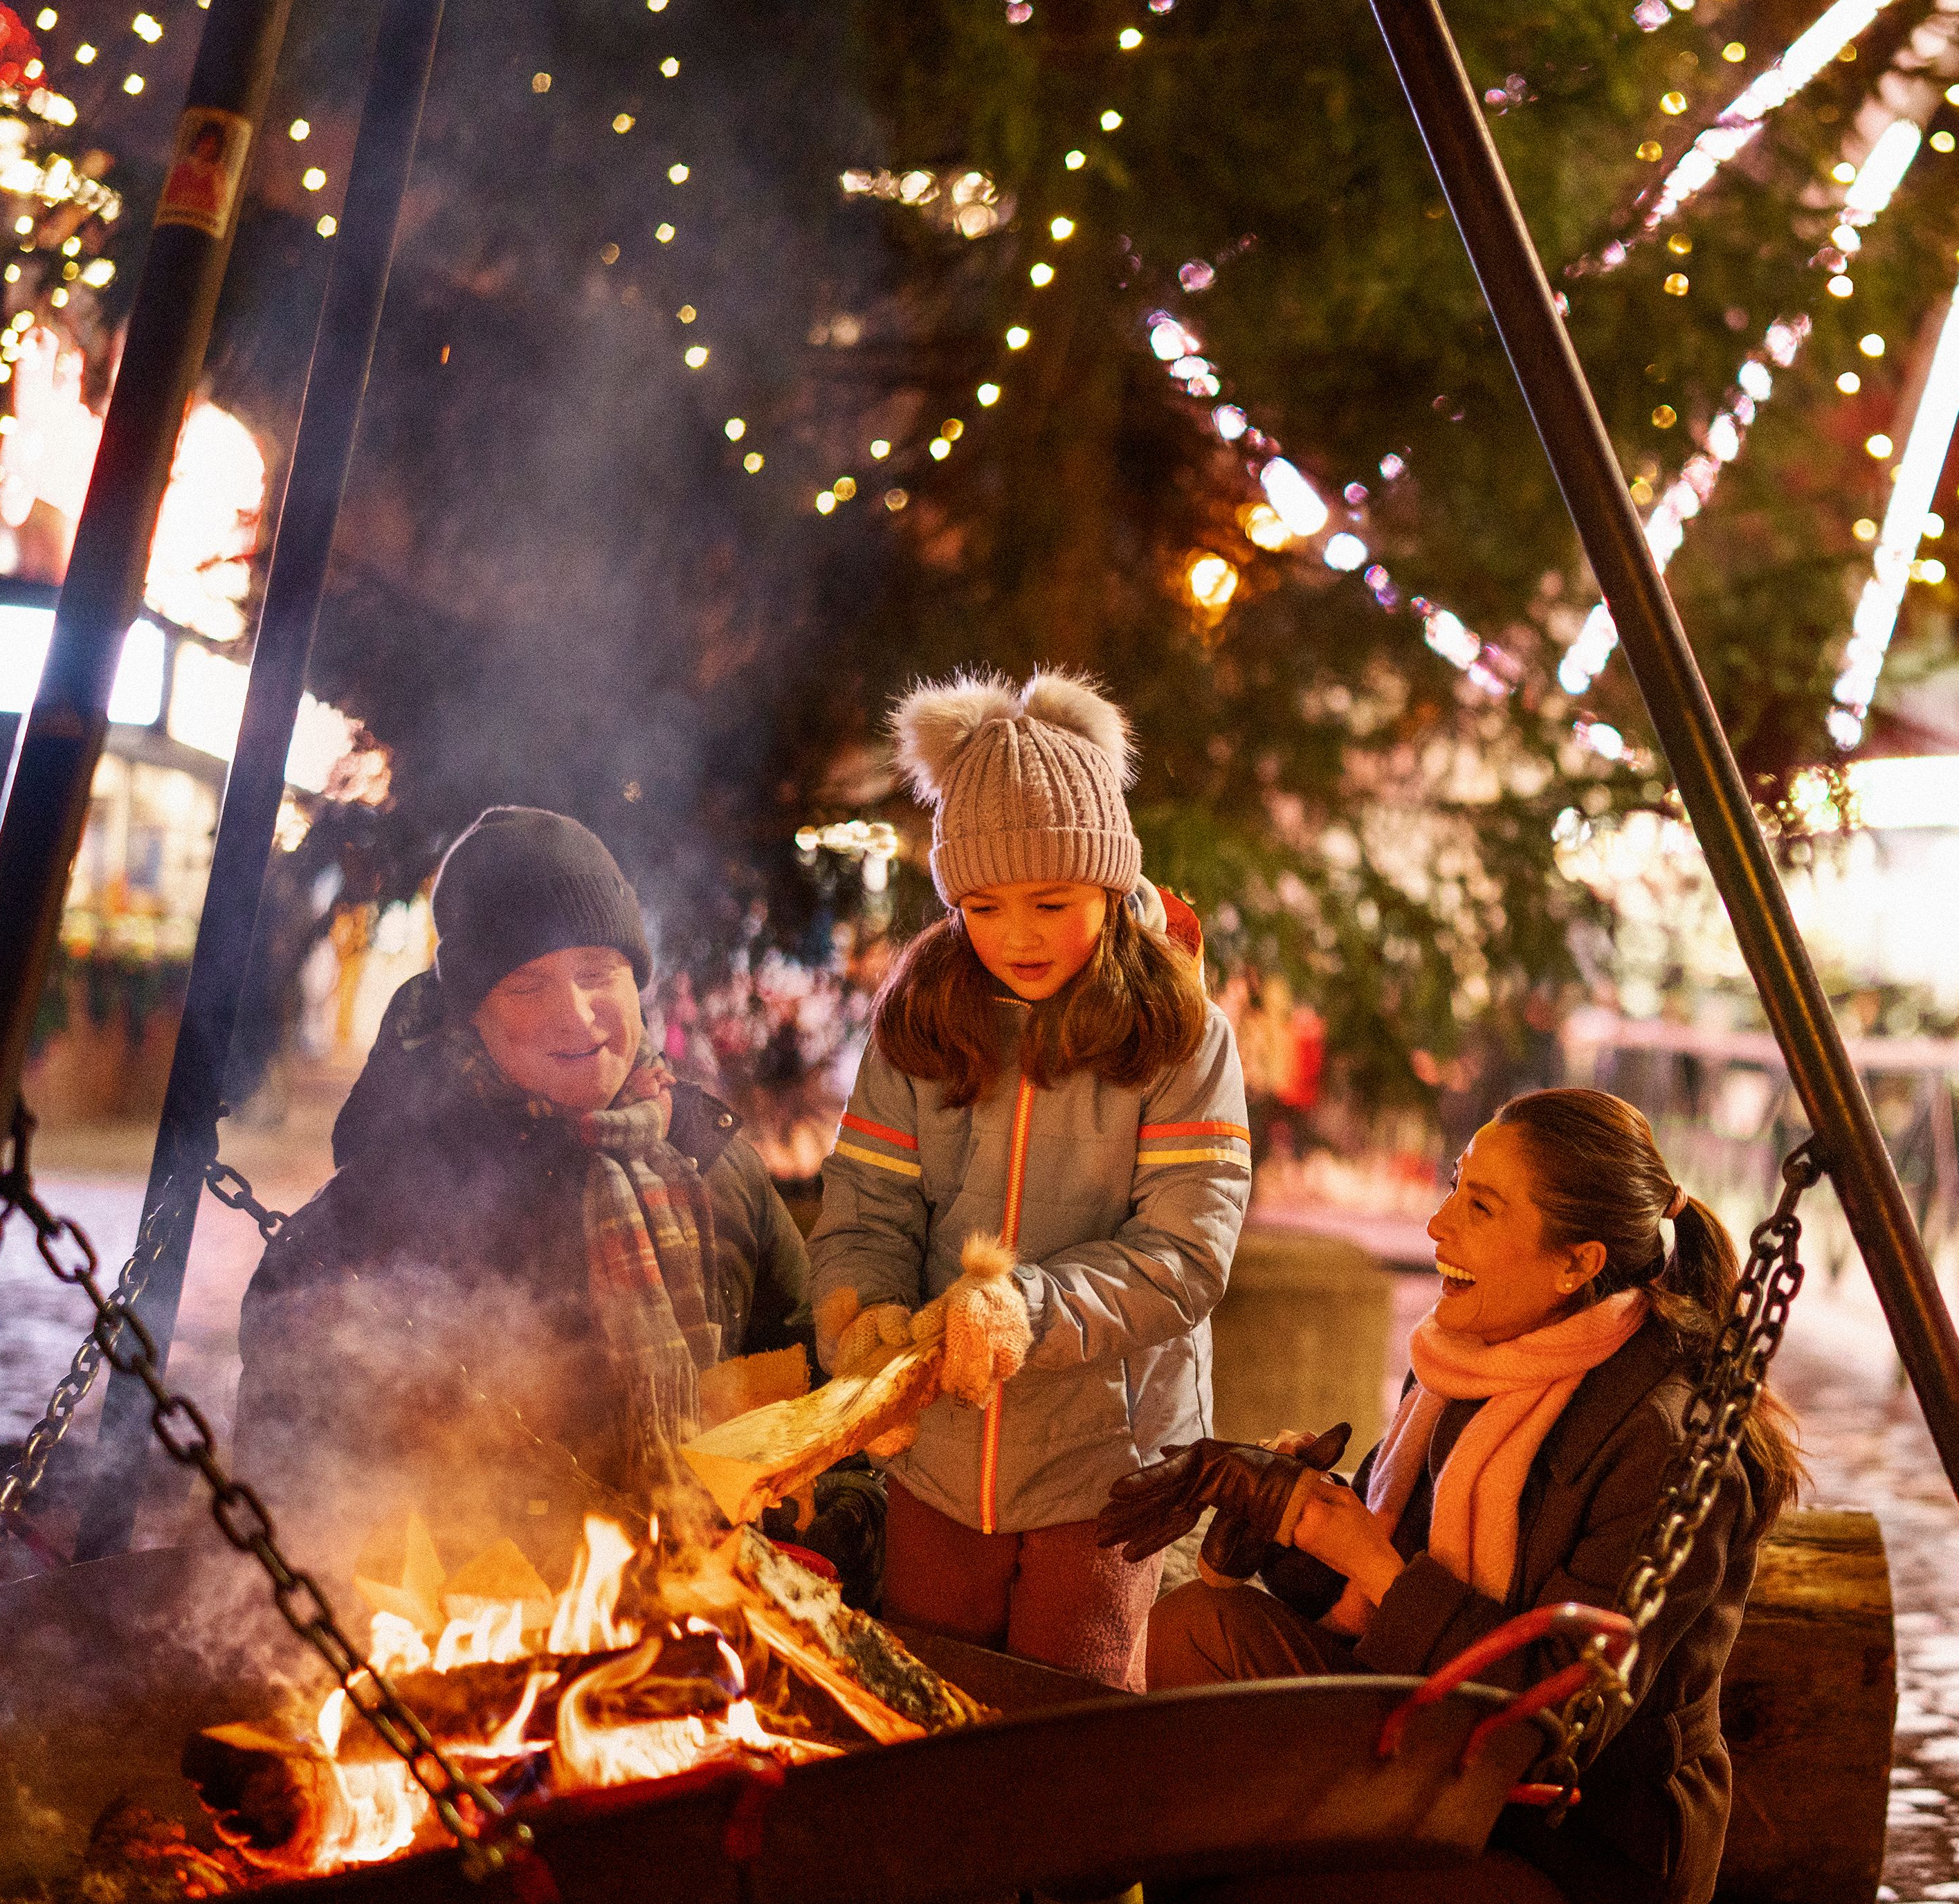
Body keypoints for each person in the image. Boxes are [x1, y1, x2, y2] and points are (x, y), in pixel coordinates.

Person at [1123, 1087, 1807, 1904]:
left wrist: (1373, 1561)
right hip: (1430, 1748)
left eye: (1478, 1207)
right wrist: (1284, 1518)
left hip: (1573, 1839)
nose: (1437, 1223)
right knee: (1194, 1632)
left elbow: (1560, 1726)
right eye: (1455, 1184)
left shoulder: (1667, 1440)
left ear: (1577, 1262)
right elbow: (1367, 1594)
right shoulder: (1465, 1363)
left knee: (1239, 1878)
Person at [810, 668, 1251, 1690]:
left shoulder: (1180, 1035)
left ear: (1107, 881)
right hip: (937, 1457)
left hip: (1108, 1463)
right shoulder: (922, 1018)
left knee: (1071, 1731)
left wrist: (1028, 1309)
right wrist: (863, 1313)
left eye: (1052, 901)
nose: (1016, 935)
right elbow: (868, 1204)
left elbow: (1187, 1253)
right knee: (927, 1705)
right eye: (983, 905)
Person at [235, 808, 817, 1568]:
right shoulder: (399, 1196)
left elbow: (812, 1391)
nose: (574, 1014)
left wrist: (826, 1523)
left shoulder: (714, 1163)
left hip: (704, 1631)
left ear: (634, 979)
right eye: (526, 983)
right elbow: (290, 1467)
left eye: (596, 972)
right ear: (471, 1011)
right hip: (484, 1641)